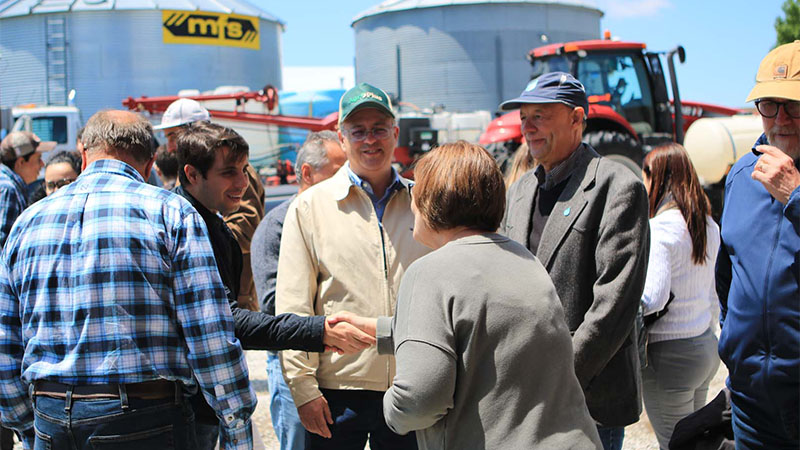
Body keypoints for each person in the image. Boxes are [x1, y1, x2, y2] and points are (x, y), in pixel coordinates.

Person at [0, 110, 257, 450]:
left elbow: (6, 338)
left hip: (53, 413)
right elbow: (209, 335)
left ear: (84, 155)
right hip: (146, 417)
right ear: (150, 163)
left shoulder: (28, 222)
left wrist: (28, 425)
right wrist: (236, 426)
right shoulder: (171, 213)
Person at [337, 142, 603, 449]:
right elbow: (489, 332)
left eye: (415, 191)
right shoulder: (523, 258)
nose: (410, 201)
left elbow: (420, 398)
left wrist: (387, 408)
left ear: (431, 201)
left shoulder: (429, 272)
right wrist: (385, 331)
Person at [172, 122, 373, 449]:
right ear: (193, 175)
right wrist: (318, 331)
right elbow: (229, 320)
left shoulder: (213, 223)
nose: (243, 183)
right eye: (229, 173)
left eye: (245, 171)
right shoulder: (186, 226)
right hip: (184, 406)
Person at [499, 72, 650, 450]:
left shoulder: (617, 187)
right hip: (524, 391)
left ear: (577, 119)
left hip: (584, 396)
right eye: (524, 118)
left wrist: (557, 379)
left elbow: (613, 307)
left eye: (541, 116)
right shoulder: (519, 192)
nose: (528, 128)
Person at [276, 83, 429, 449]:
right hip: (337, 392)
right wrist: (302, 387)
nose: (369, 139)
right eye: (358, 131)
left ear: (395, 133)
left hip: (413, 385)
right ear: (342, 140)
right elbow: (294, 305)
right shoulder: (310, 207)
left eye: (378, 128)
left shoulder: (423, 200)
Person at [716, 41, 800, 449]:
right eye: (770, 104)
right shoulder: (740, 176)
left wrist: (795, 196)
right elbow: (726, 277)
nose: (781, 118)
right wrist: (732, 342)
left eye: (794, 105)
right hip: (751, 402)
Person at [251, 130, 347, 450]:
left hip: (335, 362)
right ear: (306, 173)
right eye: (336, 173)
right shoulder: (276, 225)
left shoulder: (343, 220)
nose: (345, 181)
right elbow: (271, 303)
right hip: (292, 364)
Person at [639, 143, 721, 449]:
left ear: (657, 177)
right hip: (704, 348)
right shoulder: (709, 225)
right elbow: (714, 295)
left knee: (676, 445)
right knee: (697, 442)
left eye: (645, 175)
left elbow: (655, 298)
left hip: (668, 357)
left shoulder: (660, 229)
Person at [156, 97, 265, 312]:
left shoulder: (235, 173)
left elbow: (246, 226)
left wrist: (199, 241)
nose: (168, 146)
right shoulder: (189, 174)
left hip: (234, 299)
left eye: (173, 136)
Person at [0, 131, 52, 245]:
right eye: (38, 159)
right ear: (21, 162)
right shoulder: (9, 190)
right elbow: (3, 243)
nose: (42, 164)